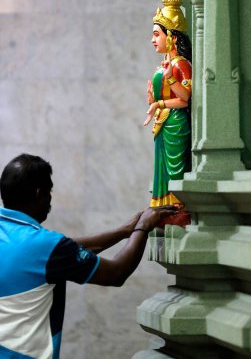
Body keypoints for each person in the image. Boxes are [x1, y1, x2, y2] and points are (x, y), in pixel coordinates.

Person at [0, 153, 176, 359]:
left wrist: (125, 230)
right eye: (49, 192)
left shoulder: (18, 236)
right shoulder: (44, 245)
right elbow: (116, 273)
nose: (50, 200)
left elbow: (66, 250)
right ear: (39, 193)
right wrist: (144, 228)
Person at [144, 0, 192, 224]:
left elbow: (185, 98)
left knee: (175, 167)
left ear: (171, 36)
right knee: (162, 168)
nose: (153, 40)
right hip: (163, 122)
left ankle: (179, 209)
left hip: (175, 122)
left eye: (156, 34)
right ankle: (164, 208)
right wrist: (152, 99)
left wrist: (161, 99)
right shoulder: (165, 64)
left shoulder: (180, 64)